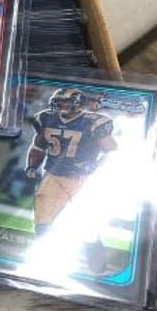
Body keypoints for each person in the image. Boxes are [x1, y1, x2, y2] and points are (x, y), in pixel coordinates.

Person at [25, 88, 118, 237]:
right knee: (43, 218)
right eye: (59, 102)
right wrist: (32, 165)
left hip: (83, 177)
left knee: (86, 224)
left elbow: (112, 151)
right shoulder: (45, 118)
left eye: (66, 102)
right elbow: (38, 146)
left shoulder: (93, 122)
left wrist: (96, 166)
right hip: (53, 175)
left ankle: (91, 248)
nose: (61, 106)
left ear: (78, 104)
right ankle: (44, 243)